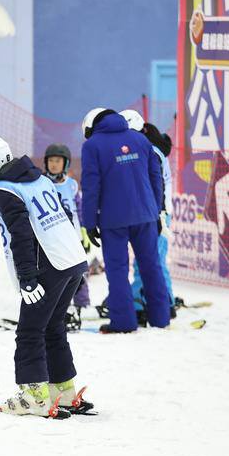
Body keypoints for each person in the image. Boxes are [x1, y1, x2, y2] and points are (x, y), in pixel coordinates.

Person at [0, 136, 91, 418]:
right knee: (53, 325)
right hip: (72, 259)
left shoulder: (5, 190)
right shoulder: (40, 179)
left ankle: (34, 396)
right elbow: (66, 214)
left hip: (50, 263)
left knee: (30, 331)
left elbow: (21, 236)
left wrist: (27, 277)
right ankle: (63, 391)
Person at [80, 108, 169, 333]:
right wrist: (157, 210)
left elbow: (91, 187)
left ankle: (124, 322)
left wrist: (89, 222)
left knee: (118, 270)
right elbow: (156, 177)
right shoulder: (139, 138)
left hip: (113, 220)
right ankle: (161, 318)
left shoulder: (92, 146)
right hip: (146, 215)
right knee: (151, 267)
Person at [119, 110, 177, 320]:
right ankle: (144, 302)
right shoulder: (145, 149)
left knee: (155, 261)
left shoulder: (151, 152)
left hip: (158, 214)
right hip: (149, 213)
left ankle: (164, 302)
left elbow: (156, 187)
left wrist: (159, 215)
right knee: (146, 260)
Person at [43, 143, 91, 329]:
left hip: (73, 236)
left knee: (78, 273)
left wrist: (84, 231)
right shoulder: (41, 183)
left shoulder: (71, 185)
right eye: (51, 161)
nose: (54, 165)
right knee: (55, 274)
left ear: (66, 164)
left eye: (58, 161)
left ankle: (79, 304)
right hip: (53, 238)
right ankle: (54, 307)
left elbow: (79, 208)